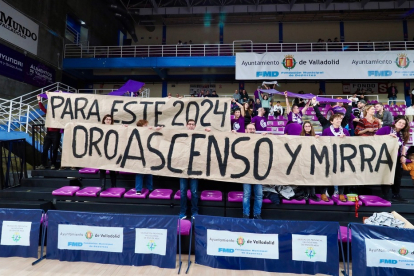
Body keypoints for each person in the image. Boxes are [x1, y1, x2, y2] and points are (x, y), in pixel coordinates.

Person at [179, 119, 211, 219]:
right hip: (183, 169)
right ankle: (182, 212)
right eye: (190, 124)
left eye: (193, 124)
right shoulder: (181, 136)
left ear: (195, 126)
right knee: (183, 192)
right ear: (186, 125)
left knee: (194, 192)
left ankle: (194, 212)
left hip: (194, 169)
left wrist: (208, 133)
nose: (191, 126)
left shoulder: (198, 136)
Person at [376, 117, 410, 202]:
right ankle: (385, 195)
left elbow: (403, 146)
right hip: (386, 156)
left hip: (397, 156)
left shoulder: (403, 133)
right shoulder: (386, 129)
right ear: (395, 122)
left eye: (403, 124)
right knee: (386, 175)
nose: (401, 124)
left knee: (397, 177)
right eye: (400, 122)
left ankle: (396, 194)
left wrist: (403, 156)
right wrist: (387, 136)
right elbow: (375, 138)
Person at [320, 114, 350, 202]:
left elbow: (351, 144)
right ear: (331, 121)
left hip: (341, 156)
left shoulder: (345, 131)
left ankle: (341, 193)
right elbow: (322, 143)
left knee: (341, 175)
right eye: (336, 119)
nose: (339, 120)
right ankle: (323, 193)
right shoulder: (326, 131)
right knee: (326, 174)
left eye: (340, 119)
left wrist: (345, 138)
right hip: (329, 155)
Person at [243, 123, 264, 219]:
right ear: (246, 130)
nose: (251, 130)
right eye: (249, 129)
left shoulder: (260, 139)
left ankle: (257, 214)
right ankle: (246, 215)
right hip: (246, 173)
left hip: (258, 173)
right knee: (247, 195)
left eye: (253, 129)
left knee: (259, 195)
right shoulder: (242, 139)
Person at [36, 94, 62, 170]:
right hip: (49, 133)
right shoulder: (49, 112)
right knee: (45, 149)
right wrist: (39, 100)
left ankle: (53, 164)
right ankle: (43, 164)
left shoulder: (59, 114)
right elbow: (42, 108)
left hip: (56, 133)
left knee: (55, 149)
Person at [134, 120, 159, 194]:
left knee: (149, 172)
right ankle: (138, 189)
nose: (147, 127)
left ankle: (150, 188)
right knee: (139, 173)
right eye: (145, 125)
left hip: (148, 155)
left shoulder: (149, 133)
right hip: (139, 156)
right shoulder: (136, 133)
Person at [100, 114, 117, 190]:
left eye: (110, 119)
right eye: (107, 119)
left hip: (111, 153)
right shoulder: (99, 128)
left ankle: (113, 186)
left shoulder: (115, 129)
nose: (108, 120)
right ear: (104, 120)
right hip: (102, 153)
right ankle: (103, 186)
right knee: (102, 170)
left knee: (112, 170)